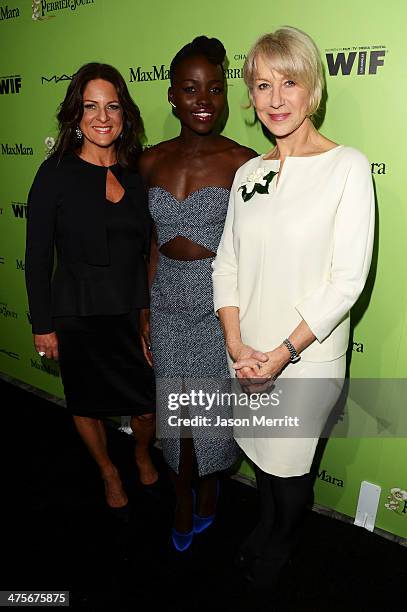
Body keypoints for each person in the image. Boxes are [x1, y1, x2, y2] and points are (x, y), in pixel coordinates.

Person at [212, 26, 375, 591]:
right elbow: (226, 264)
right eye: (262, 85)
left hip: (304, 358)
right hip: (248, 353)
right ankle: (263, 527)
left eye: (290, 82)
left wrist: (281, 354)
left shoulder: (347, 167)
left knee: (291, 467)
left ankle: (280, 543)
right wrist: (238, 348)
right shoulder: (247, 175)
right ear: (250, 96)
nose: (275, 98)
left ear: (314, 91)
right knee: (260, 457)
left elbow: (347, 279)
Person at [139, 36, 257, 551]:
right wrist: (144, 309)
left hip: (219, 305)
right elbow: (150, 244)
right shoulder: (149, 162)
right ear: (171, 96)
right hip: (166, 302)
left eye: (214, 88)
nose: (203, 99)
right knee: (177, 411)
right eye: (190, 89)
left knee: (210, 413)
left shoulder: (245, 162)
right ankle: (183, 494)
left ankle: (205, 490)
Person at [25, 63, 158, 517]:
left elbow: (147, 253)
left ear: (125, 113)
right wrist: (43, 326)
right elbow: (38, 257)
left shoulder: (137, 173)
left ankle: (141, 453)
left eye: (112, 106)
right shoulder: (55, 173)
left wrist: (145, 316)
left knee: (145, 405)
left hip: (127, 313)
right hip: (77, 314)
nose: (102, 117)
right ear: (75, 115)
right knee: (85, 403)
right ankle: (107, 470)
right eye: (90, 106)